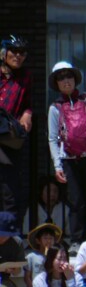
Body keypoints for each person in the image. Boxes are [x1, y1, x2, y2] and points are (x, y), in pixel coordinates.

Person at [46, 61, 86, 245]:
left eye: (69, 76)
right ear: (56, 83)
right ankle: (76, 240)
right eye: (61, 77)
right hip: (69, 159)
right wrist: (57, 165)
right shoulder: (54, 108)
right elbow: (52, 138)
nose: (66, 81)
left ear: (75, 79)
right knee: (75, 201)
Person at [0, 35, 33, 215]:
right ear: (4, 52)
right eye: (14, 51)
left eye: (22, 52)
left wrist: (27, 114)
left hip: (8, 137)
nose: (18, 56)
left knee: (10, 189)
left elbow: (27, 102)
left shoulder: (25, 76)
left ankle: (10, 236)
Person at [24, 223, 62, 287]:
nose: (48, 241)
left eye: (51, 238)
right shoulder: (31, 256)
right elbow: (27, 277)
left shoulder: (57, 256)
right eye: (45, 238)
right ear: (38, 240)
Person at [0, 212, 27, 287]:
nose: (5, 238)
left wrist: (14, 270)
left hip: (5, 278)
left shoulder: (16, 242)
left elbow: (19, 269)